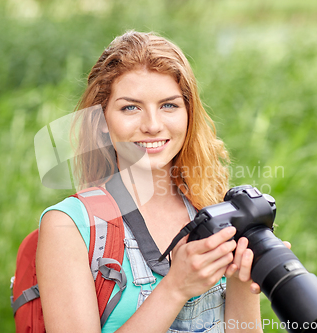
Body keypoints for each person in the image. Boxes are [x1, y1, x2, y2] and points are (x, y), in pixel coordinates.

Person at [36, 30, 280, 333]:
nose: (152, 125)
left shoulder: (212, 207)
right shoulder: (70, 226)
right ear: (100, 121)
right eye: (130, 107)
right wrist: (175, 288)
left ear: (188, 114)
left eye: (169, 105)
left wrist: (242, 279)